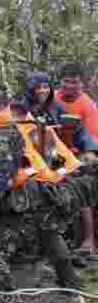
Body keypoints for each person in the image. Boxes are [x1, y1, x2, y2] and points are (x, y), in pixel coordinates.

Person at [0, 88, 84, 293]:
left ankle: (0, 291)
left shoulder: (4, 132)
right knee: (48, 234)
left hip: (32, 194)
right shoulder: (3, 128)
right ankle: (71, 283)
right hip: (38, 191)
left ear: (2, 108)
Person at [54, 63, 98, 255]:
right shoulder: (51, 98)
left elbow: (90, 140)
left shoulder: (87, 105)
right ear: (59, 82)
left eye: (75, 83)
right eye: (66, 82)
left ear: (82, 84)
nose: (70, 86)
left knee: (83, 189)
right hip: (50, 152)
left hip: (76, 154)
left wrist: (83, 161)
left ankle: (89, 240)